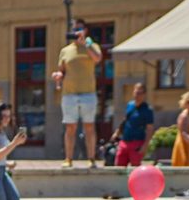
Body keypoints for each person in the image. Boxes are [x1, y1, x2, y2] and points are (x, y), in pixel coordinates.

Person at [51, 18, 103, 168]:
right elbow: (62, 70)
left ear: (85, 30)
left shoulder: (92, 46)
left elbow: (97, 58)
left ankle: (91, 158)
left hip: (88, 93)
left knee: (89, 127)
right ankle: (68, 158)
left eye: (79, 29)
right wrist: (58, 76)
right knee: (70, 127)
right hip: (69, 94)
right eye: (74, 29)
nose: (76, 32)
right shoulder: (65, 51)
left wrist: (86, 43)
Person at [113, 83, 155, 167]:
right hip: (124, 141)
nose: (137, 95)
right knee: (118, 166)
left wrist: (145, 145)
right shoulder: (130, 105)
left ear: (144, 94)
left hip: (137, 143)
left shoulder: (147, 109)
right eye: (136, 92)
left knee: (135, 167)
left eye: (140, 93)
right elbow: (125, 119)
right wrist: (117, 132)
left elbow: (150, 129)